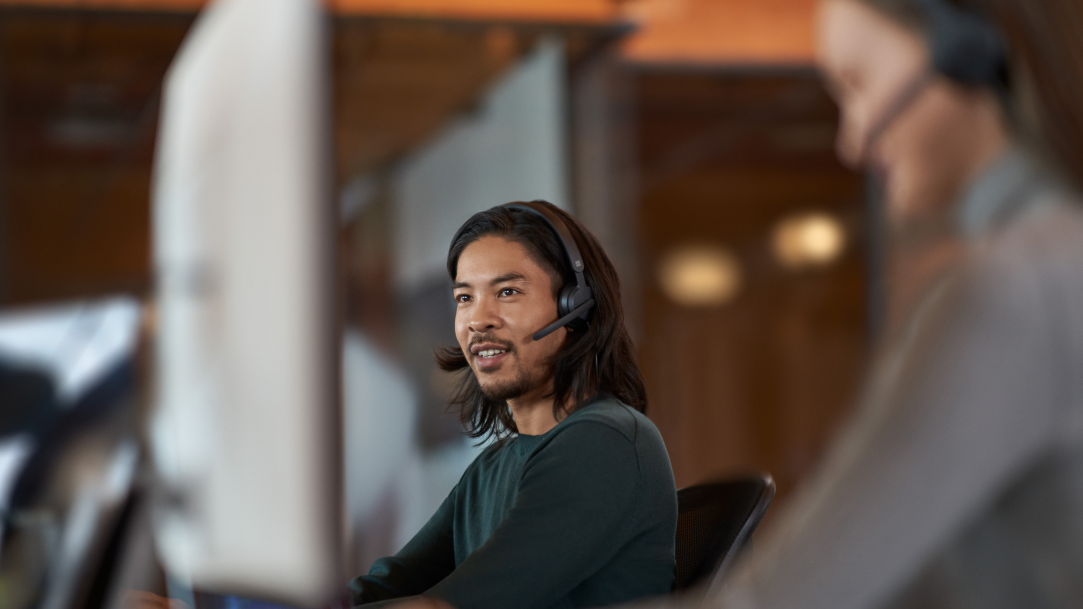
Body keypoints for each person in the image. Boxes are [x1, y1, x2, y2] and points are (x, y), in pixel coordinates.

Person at [698, 0, 1083, 608]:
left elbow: (783, 601)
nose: (852, 141)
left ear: (966, 51)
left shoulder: (1017, 289)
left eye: (858, 84)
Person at [348, 201, 678, 609]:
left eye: (507, 292)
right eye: (465, 297)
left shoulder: (604, 443)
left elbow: (452, 606)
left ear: (573, 307)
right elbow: (391, 583)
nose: (477, 319)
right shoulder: (491, 469)